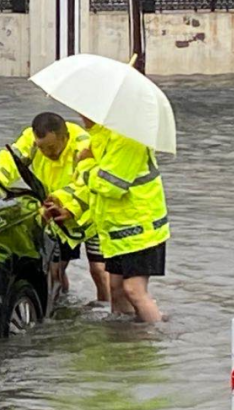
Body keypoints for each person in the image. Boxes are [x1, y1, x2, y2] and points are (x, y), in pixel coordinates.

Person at [45, 116, 169, 323]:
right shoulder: (101, 137)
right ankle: (123, 343)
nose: (82, 116)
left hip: (140, 229)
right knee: (116, 290)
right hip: (116, 231)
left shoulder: (129, 138)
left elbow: (110, 186)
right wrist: (70, 209)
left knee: (134, 290)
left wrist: (84, 164)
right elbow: (90, 190)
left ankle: (155, 339)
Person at [0, 112, 109, 303]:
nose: (48, 153)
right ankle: (62, 305)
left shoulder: (83, 144)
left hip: (89, 215)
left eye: (52, 147)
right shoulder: (31, 139)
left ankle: (106, 309)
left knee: (99, 270)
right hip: (55, 215)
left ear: (65, 137)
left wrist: (63, 202)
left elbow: (84, 185)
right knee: (56, 270)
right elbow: (9, 161)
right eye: (42, 148)